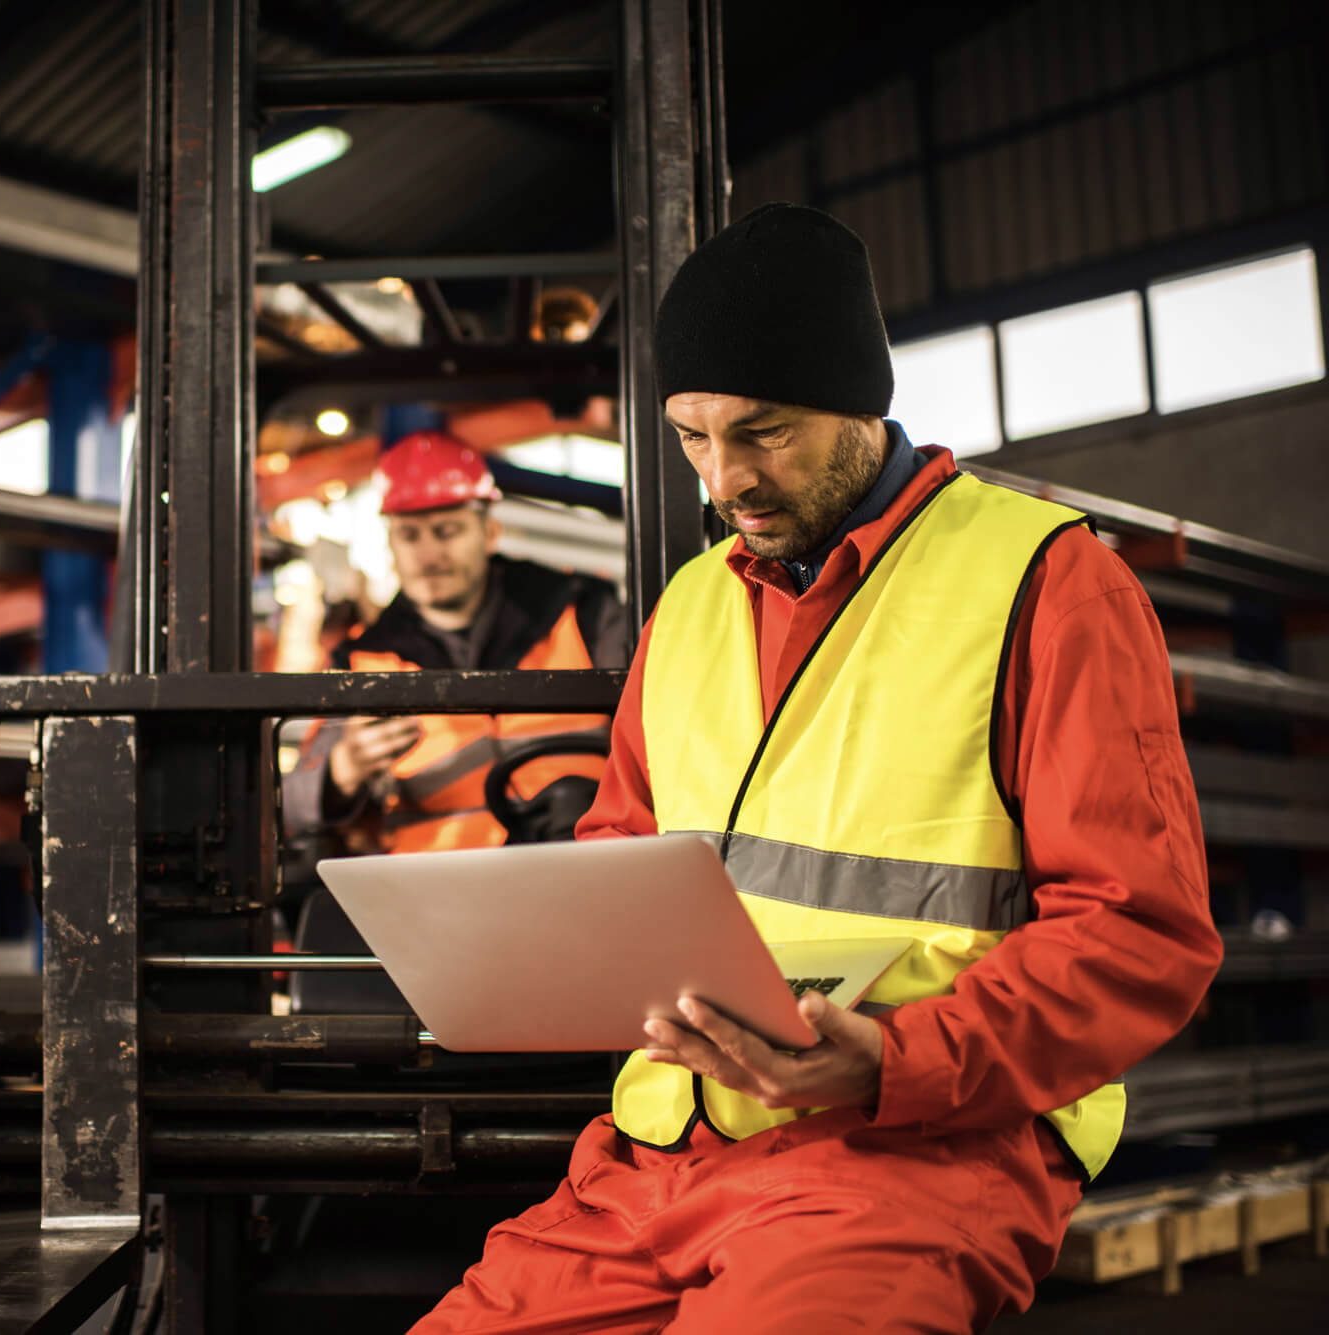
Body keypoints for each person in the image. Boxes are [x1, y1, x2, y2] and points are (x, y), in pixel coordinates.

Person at [412, 204, 1223, 1332]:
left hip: (913, 1154)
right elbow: (621, 852)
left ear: (860, 402)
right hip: (655, 1158)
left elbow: (1139, 934)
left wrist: (893, 1060)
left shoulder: (1046, 582)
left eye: (763, 431)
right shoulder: (688, 605)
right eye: (691, 438)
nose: (724, 480)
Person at [283, 430, 629, 854]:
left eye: (446, 531)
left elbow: (655, 739)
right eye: (410, 536)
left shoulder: (583, 614)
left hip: (583, 863)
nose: (429, 555)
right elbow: (293, 804)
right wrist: (343, 769)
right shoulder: (362, 659)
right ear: (391, 543)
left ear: (489, 532)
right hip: (433, 891)